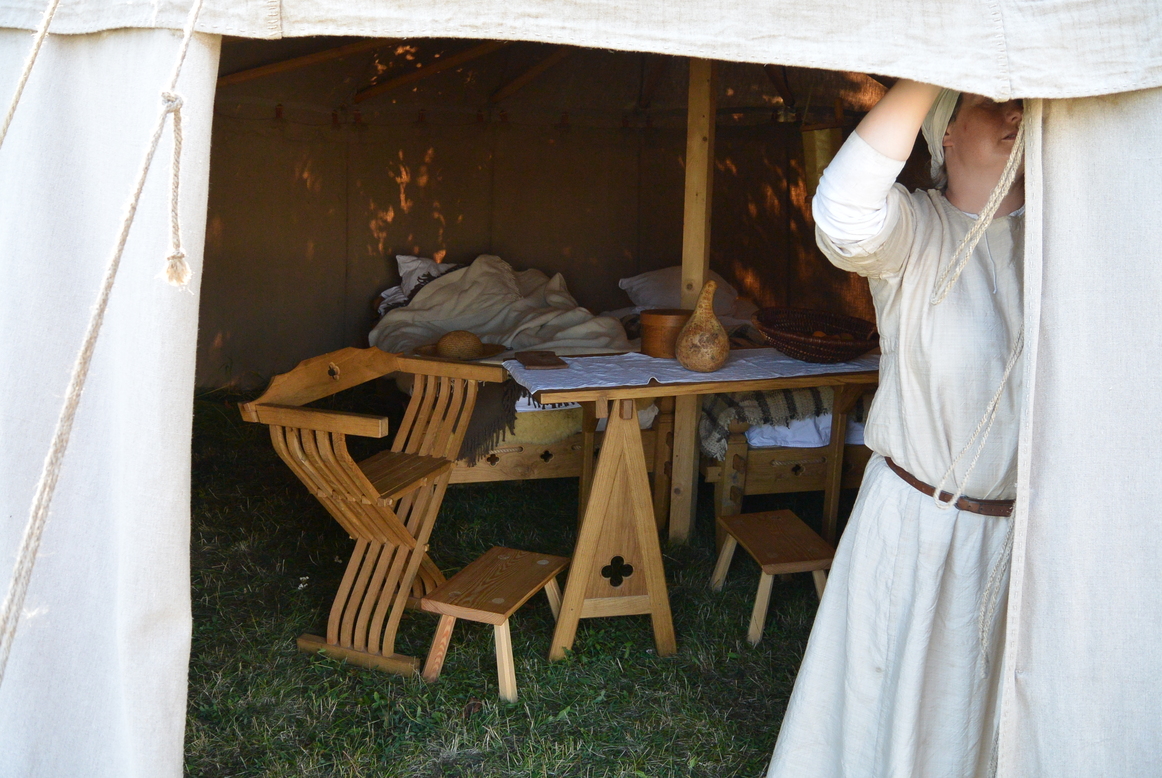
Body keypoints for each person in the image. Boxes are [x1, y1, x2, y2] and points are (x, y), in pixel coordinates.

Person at [767, 81, 1025, 777]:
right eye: (989, 99)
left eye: (1023, 101)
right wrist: (930, 66)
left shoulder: (1067, 242)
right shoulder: (918, 230)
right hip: (920, 530)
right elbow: (843, 214)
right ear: (945, 132)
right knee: (900, 727)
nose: (1015, 112)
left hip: (1029, 545)